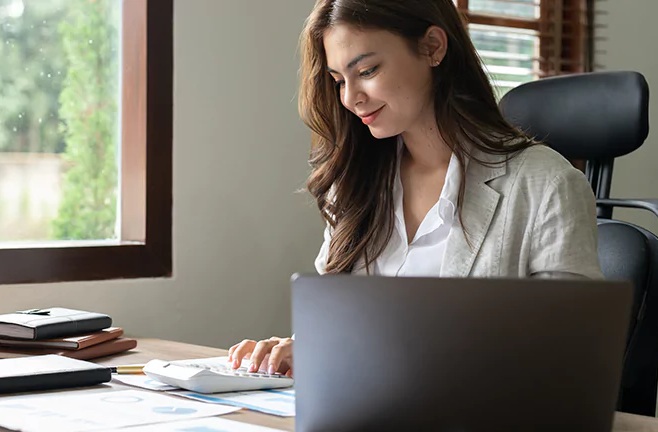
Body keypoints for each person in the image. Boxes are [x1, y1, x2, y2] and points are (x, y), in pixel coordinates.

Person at [227, 0, 602, 378]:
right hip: (359, 413)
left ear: (433, 47)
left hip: (479, 424)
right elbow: (340, 325)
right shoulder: (355, 182)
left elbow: (568, 356)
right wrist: (303, 347)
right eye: (339, 80)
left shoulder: (547, 184)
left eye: (368, 70)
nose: (350, 97)